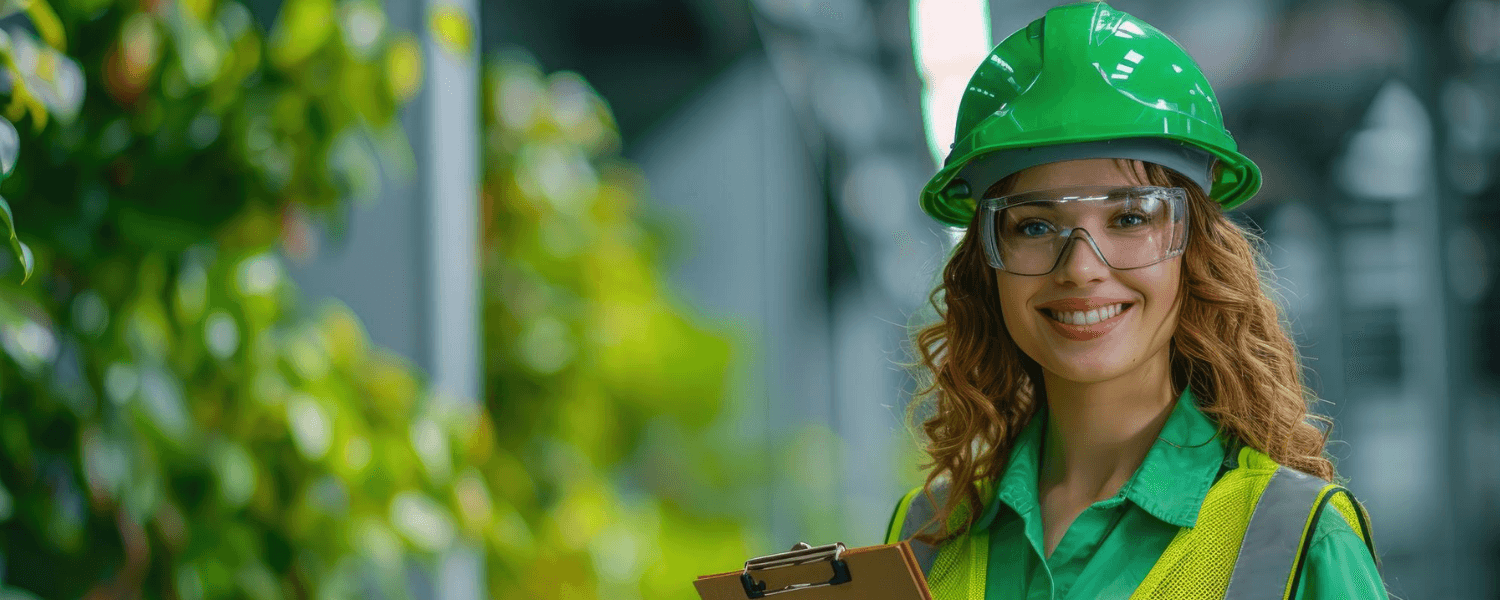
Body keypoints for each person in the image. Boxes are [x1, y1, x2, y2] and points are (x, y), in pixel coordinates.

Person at [883, 2, 1390, 599]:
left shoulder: (1296, 543)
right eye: (1034, 226)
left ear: (1194, 251)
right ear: (985, 265)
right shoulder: (924, 537)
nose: (1080, 269)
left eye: (1128, 217)